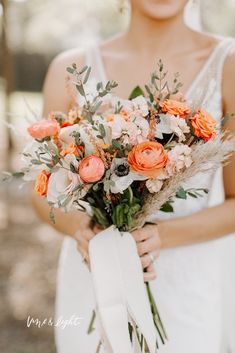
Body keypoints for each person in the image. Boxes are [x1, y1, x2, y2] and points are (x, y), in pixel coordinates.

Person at [32, 0, 235, 352]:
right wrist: (82, 232)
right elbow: (40, 192)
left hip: (184, 288)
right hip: (92, 277)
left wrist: (160, 236)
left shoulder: (229, 65)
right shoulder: (69, 68)